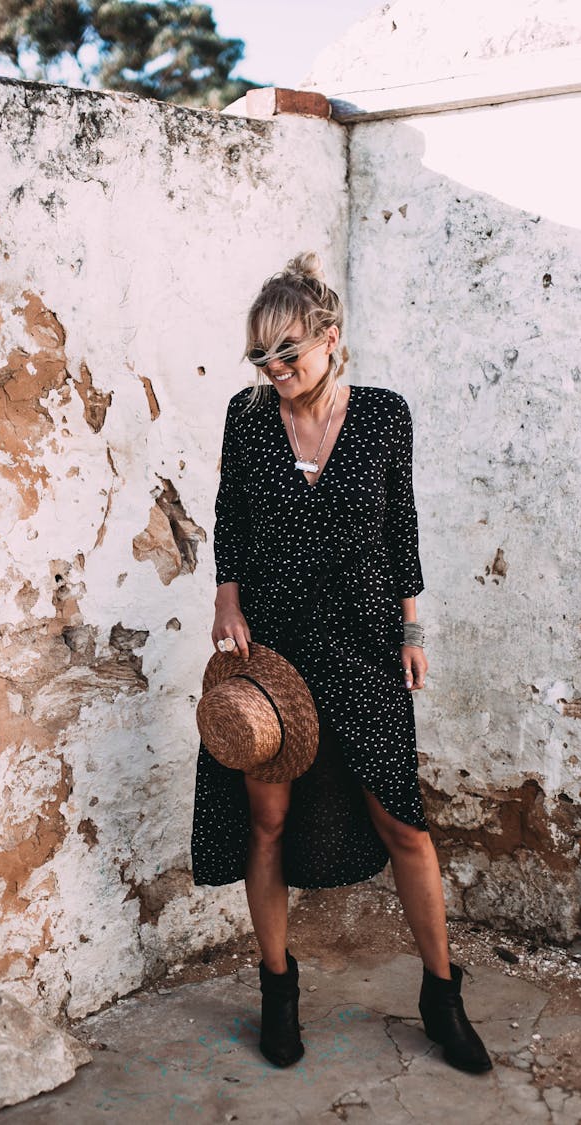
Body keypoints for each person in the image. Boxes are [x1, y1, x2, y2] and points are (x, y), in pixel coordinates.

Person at [190, 251, 492, 1075]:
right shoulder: (247, 418)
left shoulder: (385, 415)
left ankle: (441, 994)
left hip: (363, 642)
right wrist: (227, 596)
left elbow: (402, 524)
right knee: (268, 820)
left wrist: (411, 631)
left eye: (288, 352)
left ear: (331, 337)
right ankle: (279, 989)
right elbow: (230, 508)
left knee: (403, 821)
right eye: (261, 356)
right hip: (274, 653)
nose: (274, 370)